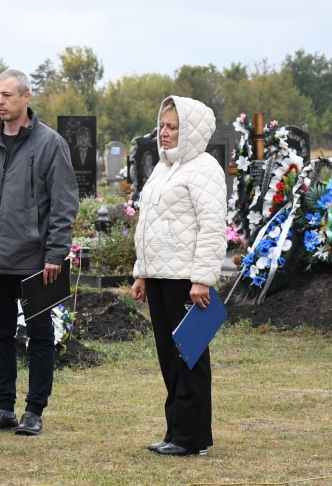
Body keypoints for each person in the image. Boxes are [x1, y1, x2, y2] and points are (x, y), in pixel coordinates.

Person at [0, 69, 79, 436]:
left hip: (35, 262)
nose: (0, 101)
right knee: (0, 334)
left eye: (7, 95)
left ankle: (34, 410)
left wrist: (55, 254)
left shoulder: (50, 144)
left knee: (40, 337)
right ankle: (4, 408)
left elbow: (63, 204)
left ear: (26, 97)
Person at [131, 96, 226, 457]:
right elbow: (148, 224)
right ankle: (176, 430)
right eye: (162, 125)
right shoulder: (163, 167)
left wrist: (202, 278)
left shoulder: (205, 169)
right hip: (159, 277)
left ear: (191, 131)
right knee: (169, 358)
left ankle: (192, 438)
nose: (164, 132)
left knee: (190, 357)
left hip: (186, 280)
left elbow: (212, 227)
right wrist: (142, 273)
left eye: (173, 127)